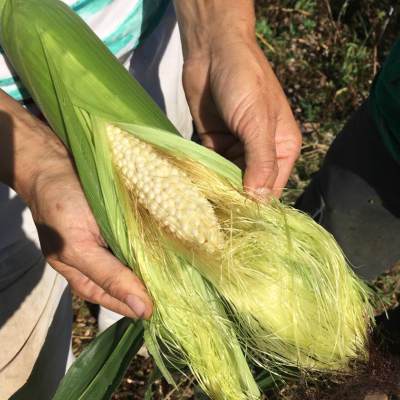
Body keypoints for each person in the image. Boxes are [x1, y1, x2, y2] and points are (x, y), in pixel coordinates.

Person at [0, 0, 301, 398]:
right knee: (24, 356)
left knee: (141, 263)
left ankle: (134, 326)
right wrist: (35, 162)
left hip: (152, 52)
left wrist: (217, 30)